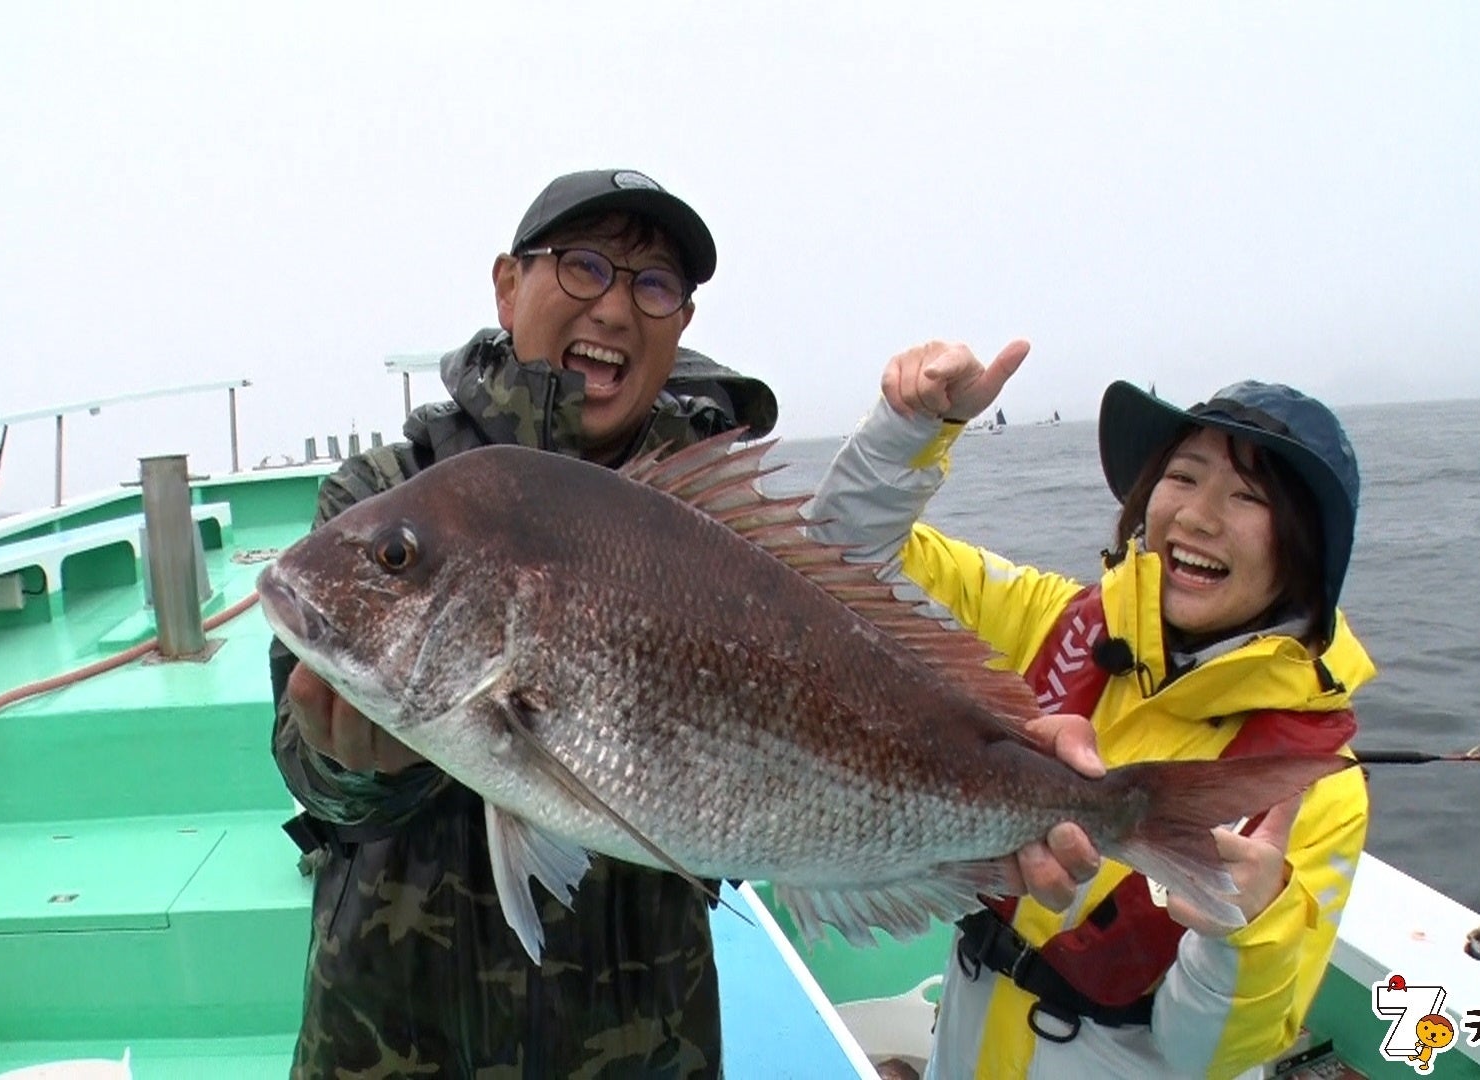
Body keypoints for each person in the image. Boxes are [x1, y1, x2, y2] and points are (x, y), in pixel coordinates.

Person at [267, 168, 784, 1077]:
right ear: (508, 286)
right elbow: (311, 777)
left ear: (682, 323)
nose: (617, 310)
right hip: (396, 1043)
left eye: (654, 284)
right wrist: (351, 768)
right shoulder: (388, 499)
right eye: (584, 267)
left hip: (642, 1047)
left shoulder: (726, 531)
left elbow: (748, 812)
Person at [809, 340, 1374, 1079]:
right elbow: (835, 566)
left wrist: (1247, 933)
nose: (1199, 517)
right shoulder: (1050, 618)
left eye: (1249, 496)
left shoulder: (1312, 786)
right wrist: (904, 432)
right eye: (1182, 476)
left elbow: (1210, 1054)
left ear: (1307, 548)